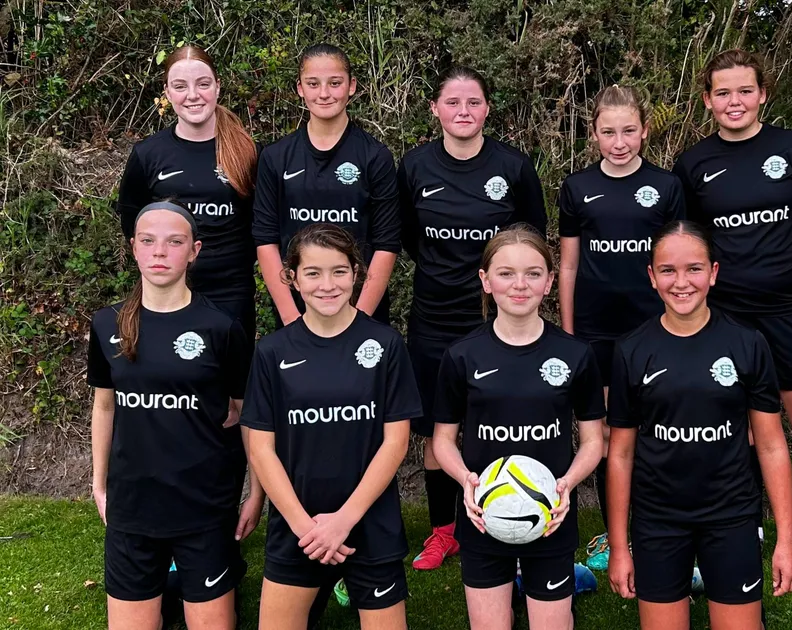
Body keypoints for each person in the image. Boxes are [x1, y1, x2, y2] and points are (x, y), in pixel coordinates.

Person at [671, 49, 792, 554]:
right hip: (728, 316)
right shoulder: (694, 164)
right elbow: (689, 246)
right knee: (738, 425)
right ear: (707, 100)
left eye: (744, 90)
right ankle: (744, 528)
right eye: (722, 92)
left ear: (762, 94)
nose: (734, 101)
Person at [606, 220, 792, 630]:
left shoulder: (747, 344)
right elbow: (620, 454)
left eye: (694, 268)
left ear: (713, 273)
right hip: (658, 519)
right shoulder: (631, 350)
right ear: (651, 276)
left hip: (730, 515)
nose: (682, 282)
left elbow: (770, 445)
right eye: (668, 270)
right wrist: (620, 546)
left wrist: (787, 539)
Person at [398, 66, 548, 571]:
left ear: (487, 108)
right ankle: (446, 531)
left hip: (499, 321)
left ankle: (516, 515)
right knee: (439, 429)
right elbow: (407, 238)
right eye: (453, 102)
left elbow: (530, 238)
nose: (464, 112)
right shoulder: (415, 166)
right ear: (436, 108)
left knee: (504, 420)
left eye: (474, 102)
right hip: (435, 317)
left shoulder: (513, 166)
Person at [88, 201, 261, 630]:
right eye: (148, 241)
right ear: (133, 248)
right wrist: (98, 483)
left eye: (174, 242)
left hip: (203, 507)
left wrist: (255, 493)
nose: (160, 252)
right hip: (133, 507)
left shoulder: (220, 327)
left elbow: (248, 417)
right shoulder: (108, 323)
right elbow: (104, 405)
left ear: (194, 250)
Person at [240, 223, 421, 630]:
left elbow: (396, 442)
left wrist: (343, 521)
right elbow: (261, 450)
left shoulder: (386, 345)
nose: (327, 284)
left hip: (370, 523)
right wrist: (306, 527)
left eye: (339, 271)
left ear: (357, 274)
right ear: (292, 278)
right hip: (296, 527)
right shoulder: (272, 353)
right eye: (313, 273)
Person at [431, 224, 604, 630]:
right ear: (485, 281)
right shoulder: (461, 356)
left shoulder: (575, 354)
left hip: (551, 516)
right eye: (506, 273)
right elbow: (442, 440)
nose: (519, 284)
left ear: (548, 282)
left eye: (533, 273)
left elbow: (594, 440)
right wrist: (465, 480)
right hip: (482, 516)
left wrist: (566, 485)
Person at [557, 84, 686, 571]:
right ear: (593, 134)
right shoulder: (576, 187)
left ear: (645, 130)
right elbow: (568, 267)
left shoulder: (667, 187)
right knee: (612, 435)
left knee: (661, 428)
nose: (619, 141)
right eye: (608, 132)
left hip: (653, 329)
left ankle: (662, 526)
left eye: (629, 130)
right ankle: (617, 537)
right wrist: (571, 335)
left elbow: (676, 262)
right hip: (596, 331)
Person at [116, 45, 259, 338]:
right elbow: (133, 220)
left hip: (230, 293)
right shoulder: (148, 154)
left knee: (232, 382)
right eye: (180, 86)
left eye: (203, 84)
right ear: (167, 93)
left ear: (218, 87)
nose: (193, 95)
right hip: (165, 292)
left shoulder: (248, 152)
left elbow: (262, 226)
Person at [254, 44, 400, 327]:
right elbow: (265, 240)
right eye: (313, 83)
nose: (324, 93)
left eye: (335, 83)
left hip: (361, 312)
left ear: (351, 86)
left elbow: (386, 244)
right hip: (296, 313)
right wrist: (291, 319)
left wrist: (360, 321)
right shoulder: (275, 157)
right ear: (300, 88)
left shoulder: (375, 156)